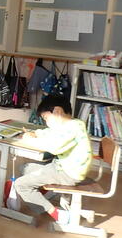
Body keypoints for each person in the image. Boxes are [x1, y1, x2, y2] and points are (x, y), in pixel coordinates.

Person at [14, 95, 92, 224]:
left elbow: (54, 147)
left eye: (46, 118)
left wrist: (29, 140)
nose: (46, 123)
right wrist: (36, 133)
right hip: (62, 168)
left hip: (68, 173)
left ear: (57, 112)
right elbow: (50, 132)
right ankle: (44, 196)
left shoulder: (73, 127)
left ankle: (54, 212)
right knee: (25, 168)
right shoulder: (71, 124)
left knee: (20, 185)